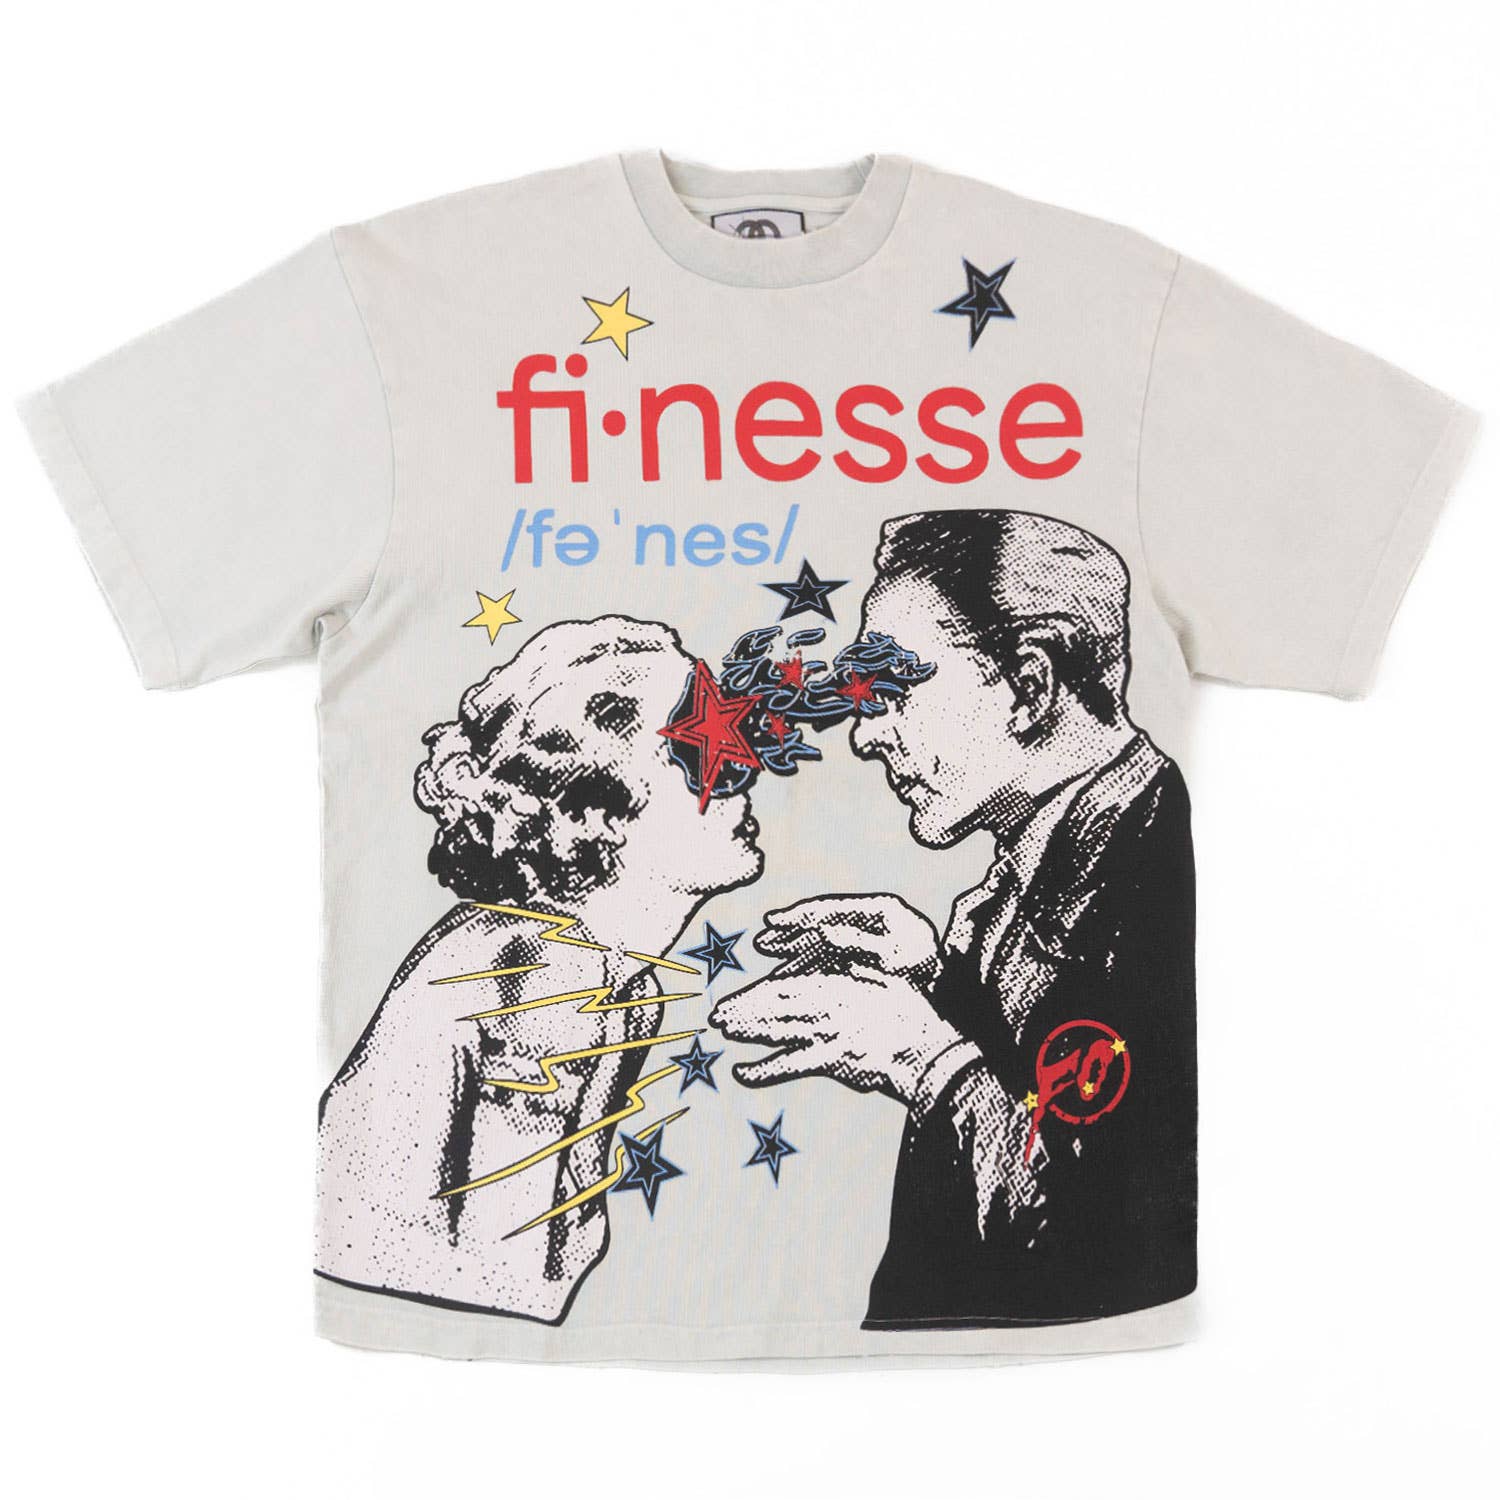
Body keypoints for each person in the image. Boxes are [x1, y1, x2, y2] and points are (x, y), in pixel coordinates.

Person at [711, 510, 1197, 1326]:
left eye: (893, 691)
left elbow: (1101, 1245)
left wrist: (921, 1057)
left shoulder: (1147, 871)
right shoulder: (1045, 859)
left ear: (1030, 688)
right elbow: (1040, 1077)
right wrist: (936, 978)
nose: (864, 736)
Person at [317, 616, 762, 1324]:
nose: (744, 770)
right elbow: (472, 1262)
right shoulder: (522, 971)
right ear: (598, 813)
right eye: (697, 751)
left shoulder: (625, 989)